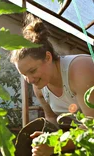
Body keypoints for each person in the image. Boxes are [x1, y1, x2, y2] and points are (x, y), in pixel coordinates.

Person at [10, 13, 94, 156]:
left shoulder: (80, 69)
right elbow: (51, 119)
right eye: (24, 75)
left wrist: (55, 144)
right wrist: (44, 137)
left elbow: (92, 127)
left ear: (48, 57)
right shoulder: (40, 87)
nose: (29, 80)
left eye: (32, 70)